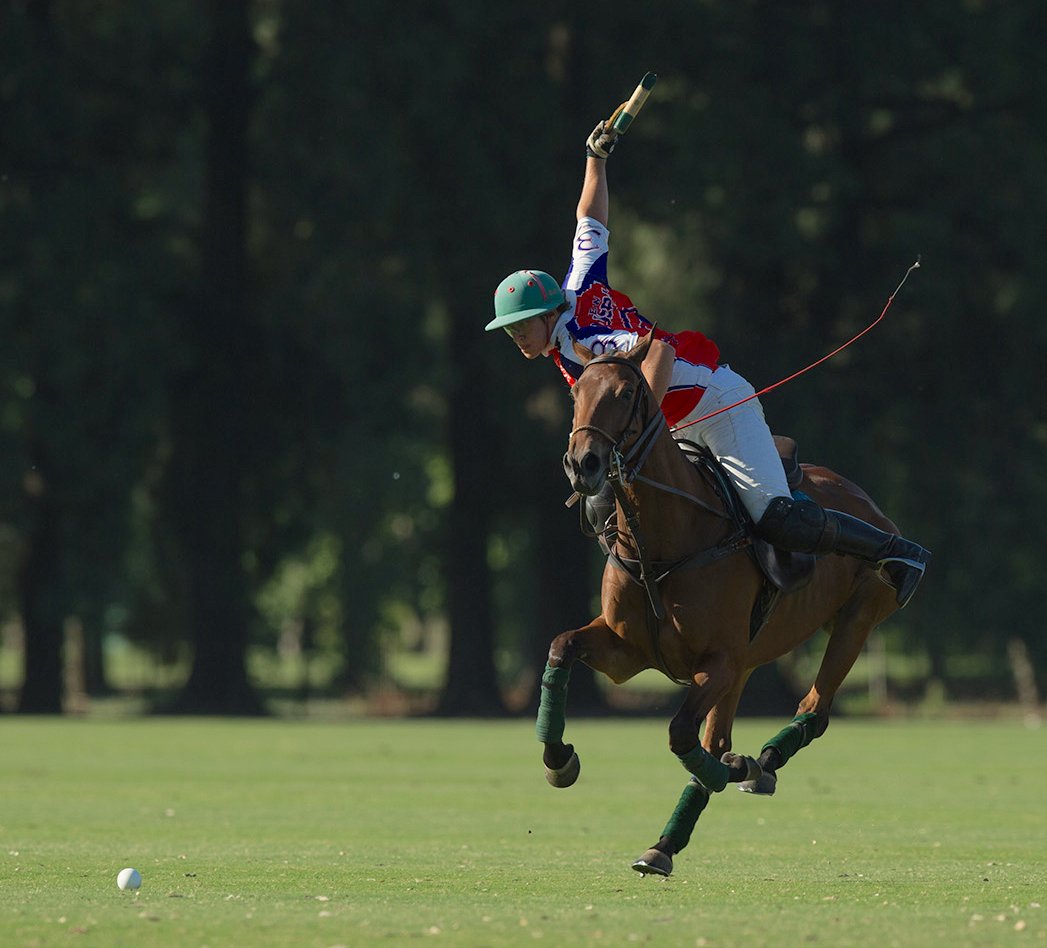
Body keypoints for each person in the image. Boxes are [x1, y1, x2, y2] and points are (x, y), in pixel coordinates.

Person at [485, 117, 928, 606]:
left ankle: (895, 552)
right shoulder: (578, 283)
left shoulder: (588, 337)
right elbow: (590, 220)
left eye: (521, 324)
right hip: (667, 423)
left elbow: (660, 350)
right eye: (509, 329)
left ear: (549, 315)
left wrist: (645, 423)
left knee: (777, 517)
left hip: (714, 403)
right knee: (601, 507)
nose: (516, 336)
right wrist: (596, 158)